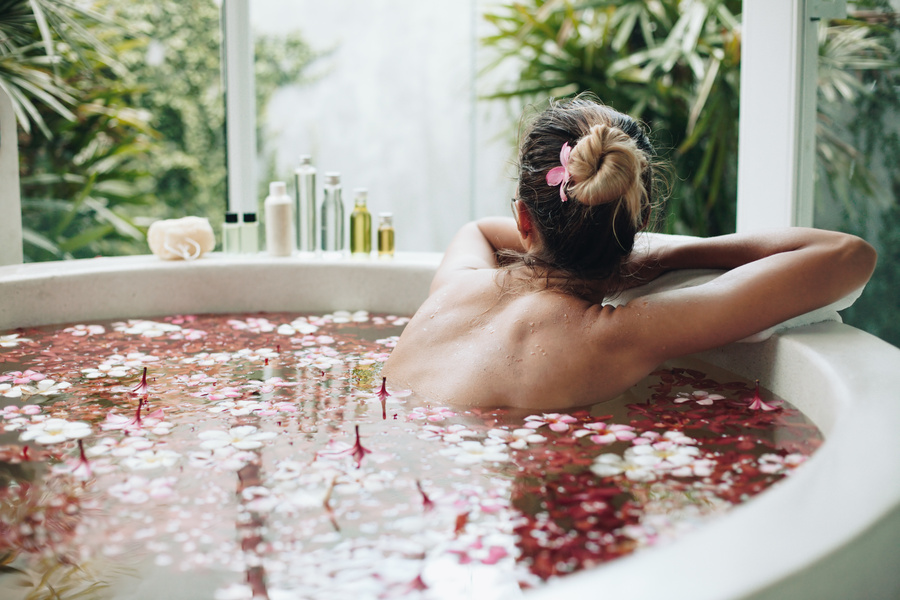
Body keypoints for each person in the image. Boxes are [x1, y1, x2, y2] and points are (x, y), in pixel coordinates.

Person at [382, 96, 877, 410]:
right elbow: (847, 254)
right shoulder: (617, 335)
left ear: (523, 219)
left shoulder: (457, 284)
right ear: (638, 224)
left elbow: (481, 230)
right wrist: (657, 260)